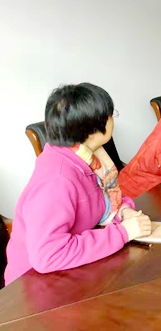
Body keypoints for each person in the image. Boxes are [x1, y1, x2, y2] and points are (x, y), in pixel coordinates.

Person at [5, 83, 151, 285]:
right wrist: (122, 233)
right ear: (91, 130)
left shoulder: (88, 157)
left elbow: (103, 201)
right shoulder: (56, 181)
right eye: (111, 115)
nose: (113, 120)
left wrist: (123, 211)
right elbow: (48, 256)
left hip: (72, 269)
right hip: (34, 285)